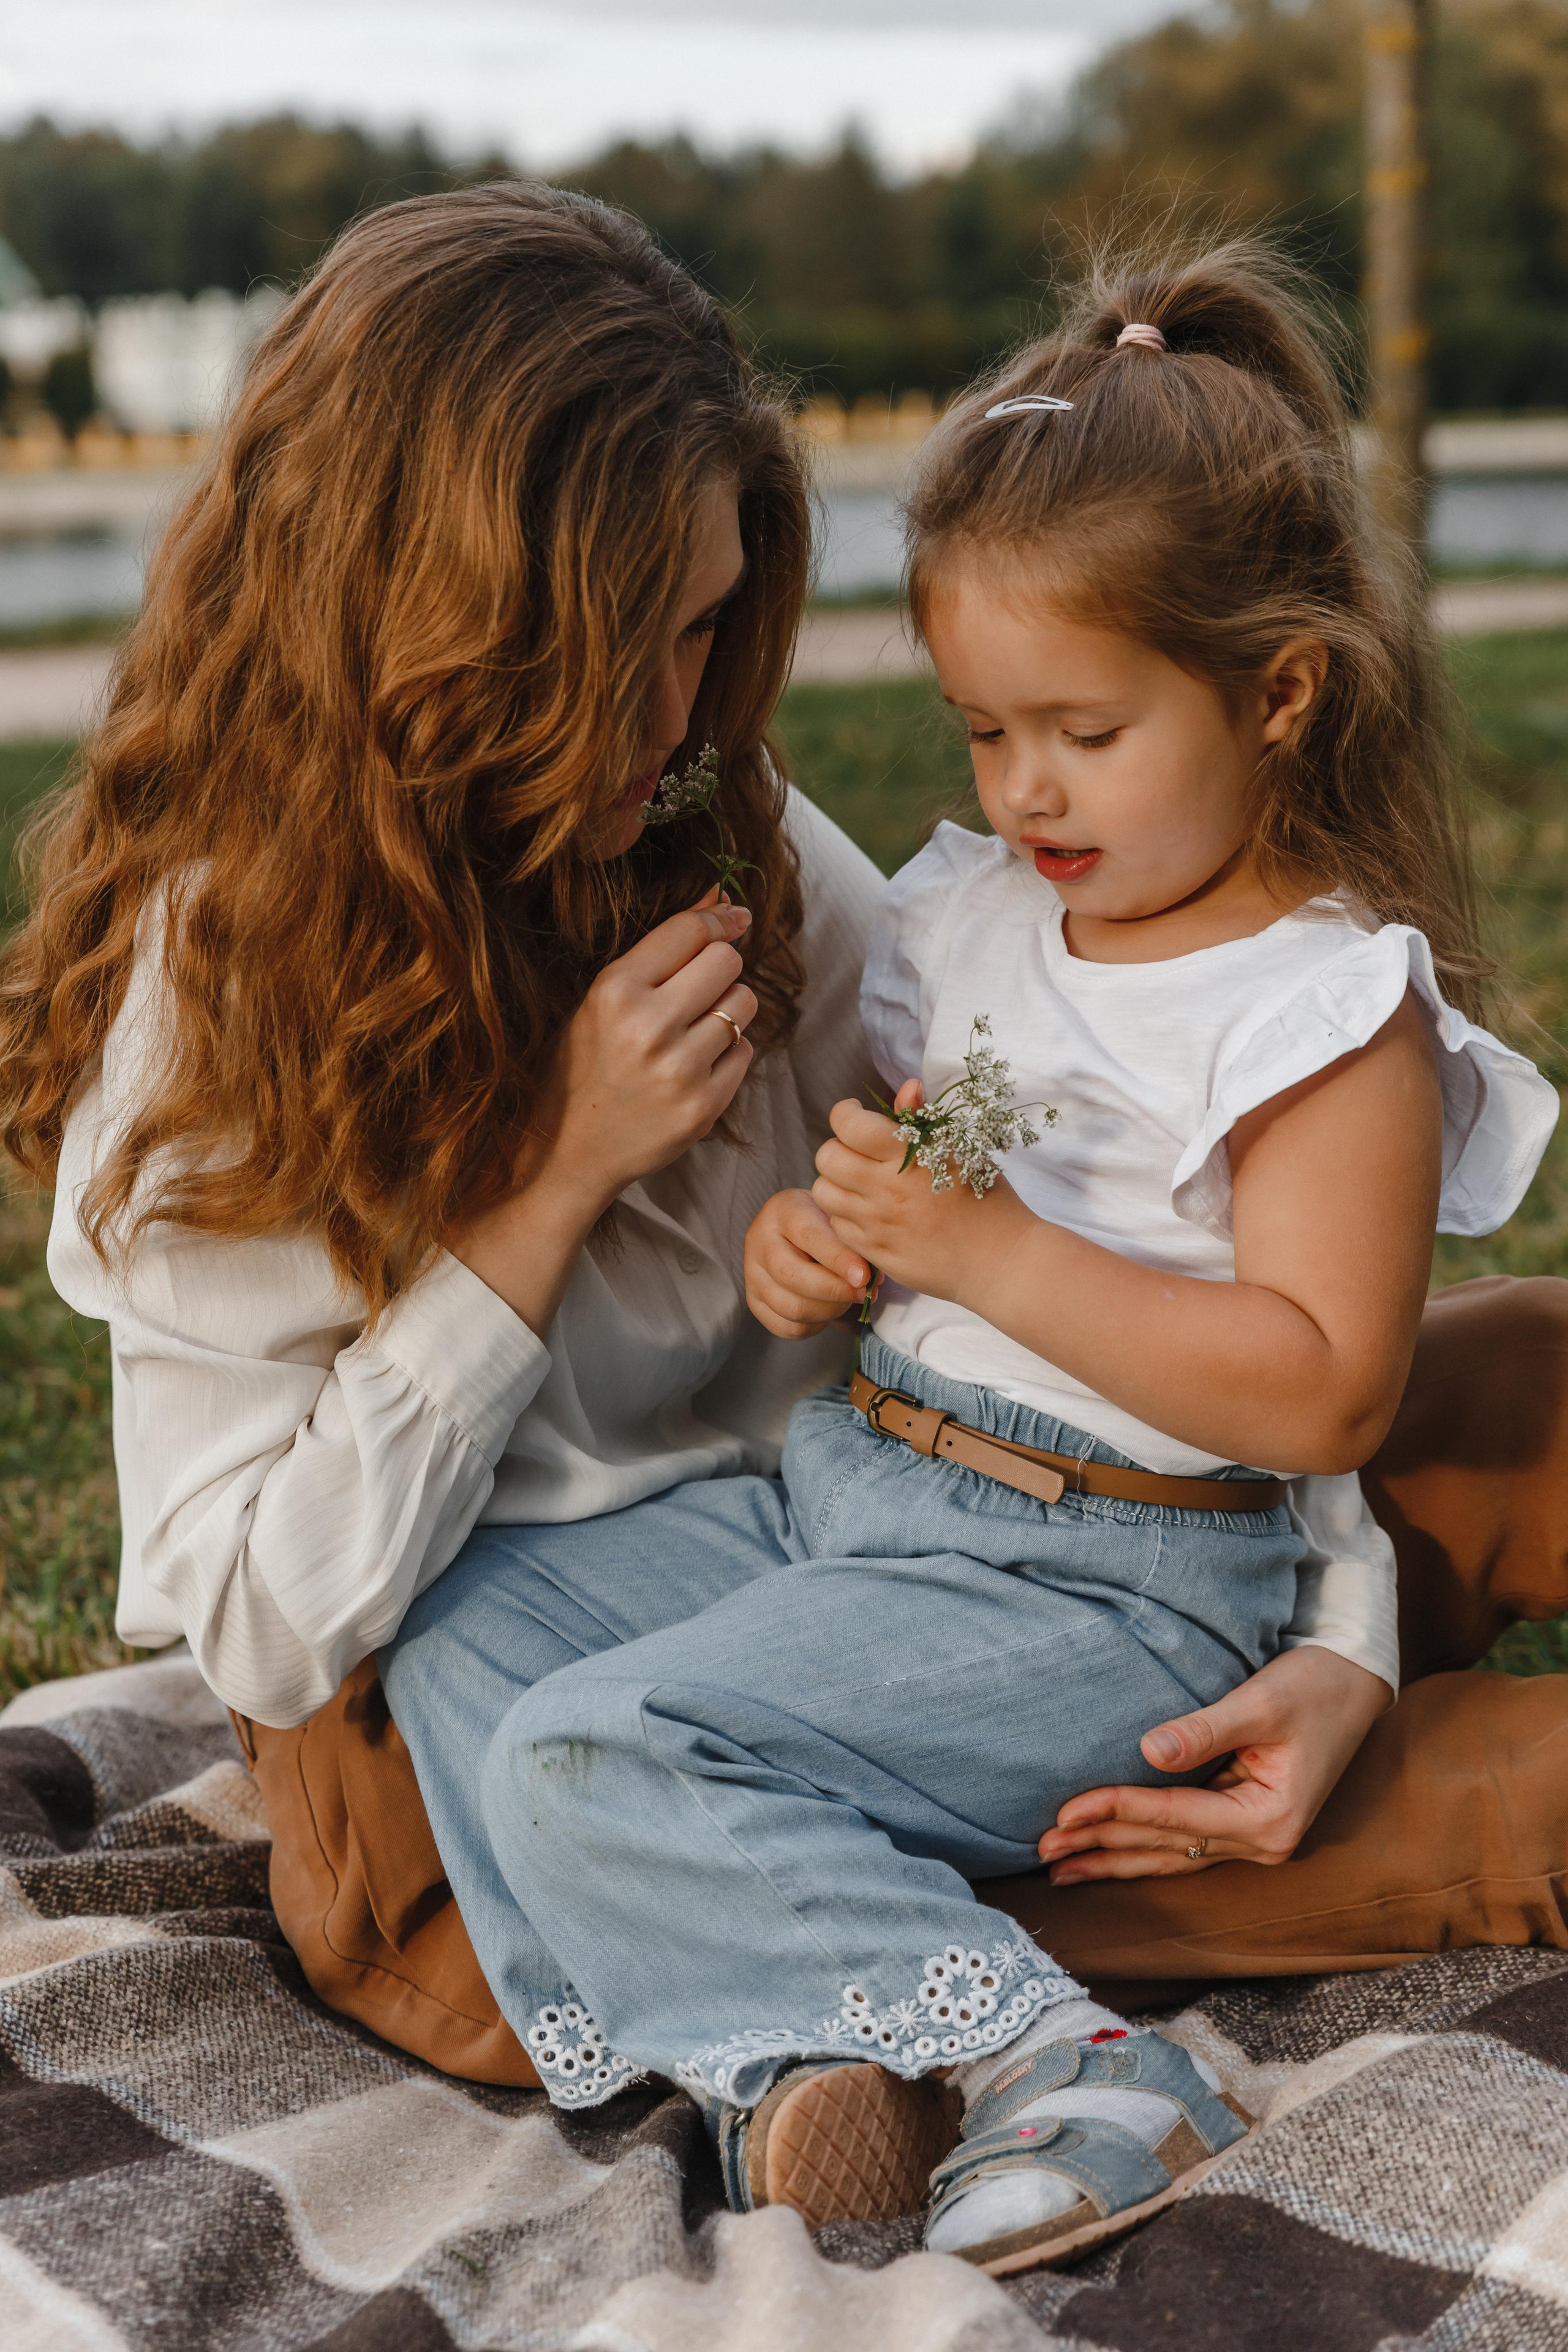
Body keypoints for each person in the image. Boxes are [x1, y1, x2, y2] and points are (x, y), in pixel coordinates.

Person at [0, 191, 1555, 2274]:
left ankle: (817, 2046)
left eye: (713, 625)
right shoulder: (227, 998)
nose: (687, 708)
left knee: (1530, 1361)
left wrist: (1333, 1638)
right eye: (632, 642)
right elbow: (271, 1634)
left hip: (900, 1548)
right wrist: (546, 1188)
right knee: (565, 1775)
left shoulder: (717, 832)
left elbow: (1166, 1290)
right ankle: (994, 2032)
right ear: (439, 627)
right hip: (477, 1779)